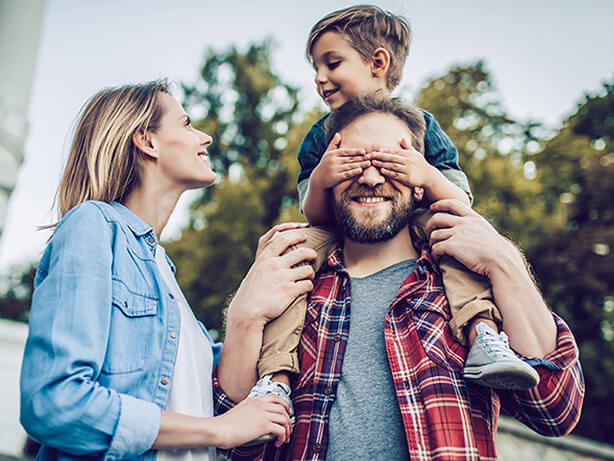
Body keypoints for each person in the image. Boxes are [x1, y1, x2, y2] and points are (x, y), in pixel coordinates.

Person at [214, 96, 584, 460]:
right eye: (353, 162)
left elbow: (554, 410)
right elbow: (233, 446)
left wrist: (506, 262)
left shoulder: (465, 284)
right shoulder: (292, 282)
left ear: (420, 181)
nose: (371, 177)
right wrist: (243, 318)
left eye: (389, 162)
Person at [247, 4, 537, 431]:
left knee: (455, 237)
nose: (319, 78)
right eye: (316, 68)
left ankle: (483, 335)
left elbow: (460, 201)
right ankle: (275, 377)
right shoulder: (320, 136)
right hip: (339, 232)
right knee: (294, 257)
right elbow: (315, 214)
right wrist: (322, 180)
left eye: (332, 63)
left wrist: (425, 175)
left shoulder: (420, 125)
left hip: (414, 225)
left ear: (378, 62)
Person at [19, 80, 318, 460]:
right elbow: (55, 401)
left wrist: (248, 306)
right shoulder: (94, 225)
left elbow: (220, 401)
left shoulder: (162, 270)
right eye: (187, 123)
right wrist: (219, 430)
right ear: (147, 141)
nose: (205, 136)